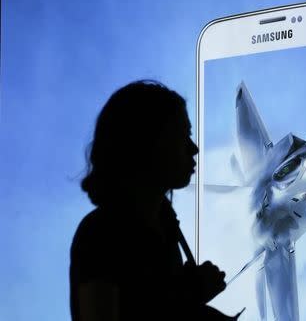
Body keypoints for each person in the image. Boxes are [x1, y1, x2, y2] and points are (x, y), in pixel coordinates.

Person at [70, 80, 243, 320]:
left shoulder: (162, 231)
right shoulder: (100, 235)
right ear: (146, 144)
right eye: (182, 136)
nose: (194, 149)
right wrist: (188, 294)